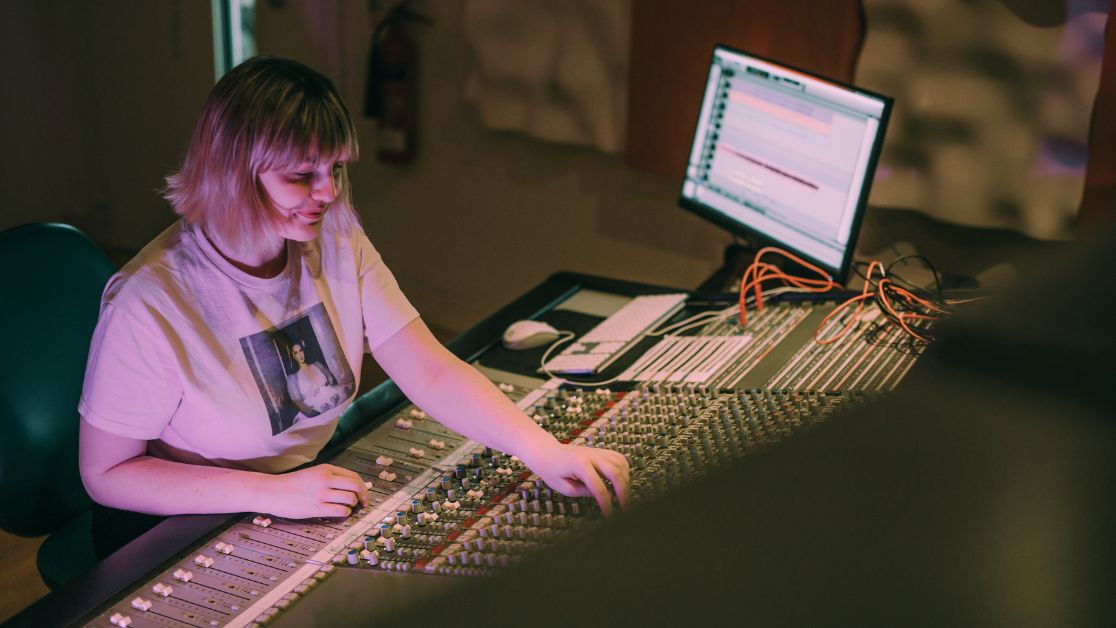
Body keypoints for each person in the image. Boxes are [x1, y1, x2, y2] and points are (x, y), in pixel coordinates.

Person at [77, 57, 629, 554]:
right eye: (302, 175)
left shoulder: (336, 238)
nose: (330, 193)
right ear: (232, 173)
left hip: (297, 491)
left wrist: (543, 450)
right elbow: (107, 473)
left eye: (336, 169)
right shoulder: (149, 302)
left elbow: (430, 370)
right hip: (173, 530)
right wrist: (269, 492)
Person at [286, 341, 340, 418]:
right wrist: (313, 414)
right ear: (293, 356)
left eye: (301, 350)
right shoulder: (293, 378)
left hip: (332, 397)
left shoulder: (317, 364)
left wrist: (334, 395)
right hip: (313, 410)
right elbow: (296, 401)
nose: (300, 355)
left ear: (304, 351)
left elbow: (331, 379)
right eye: (296, 353)